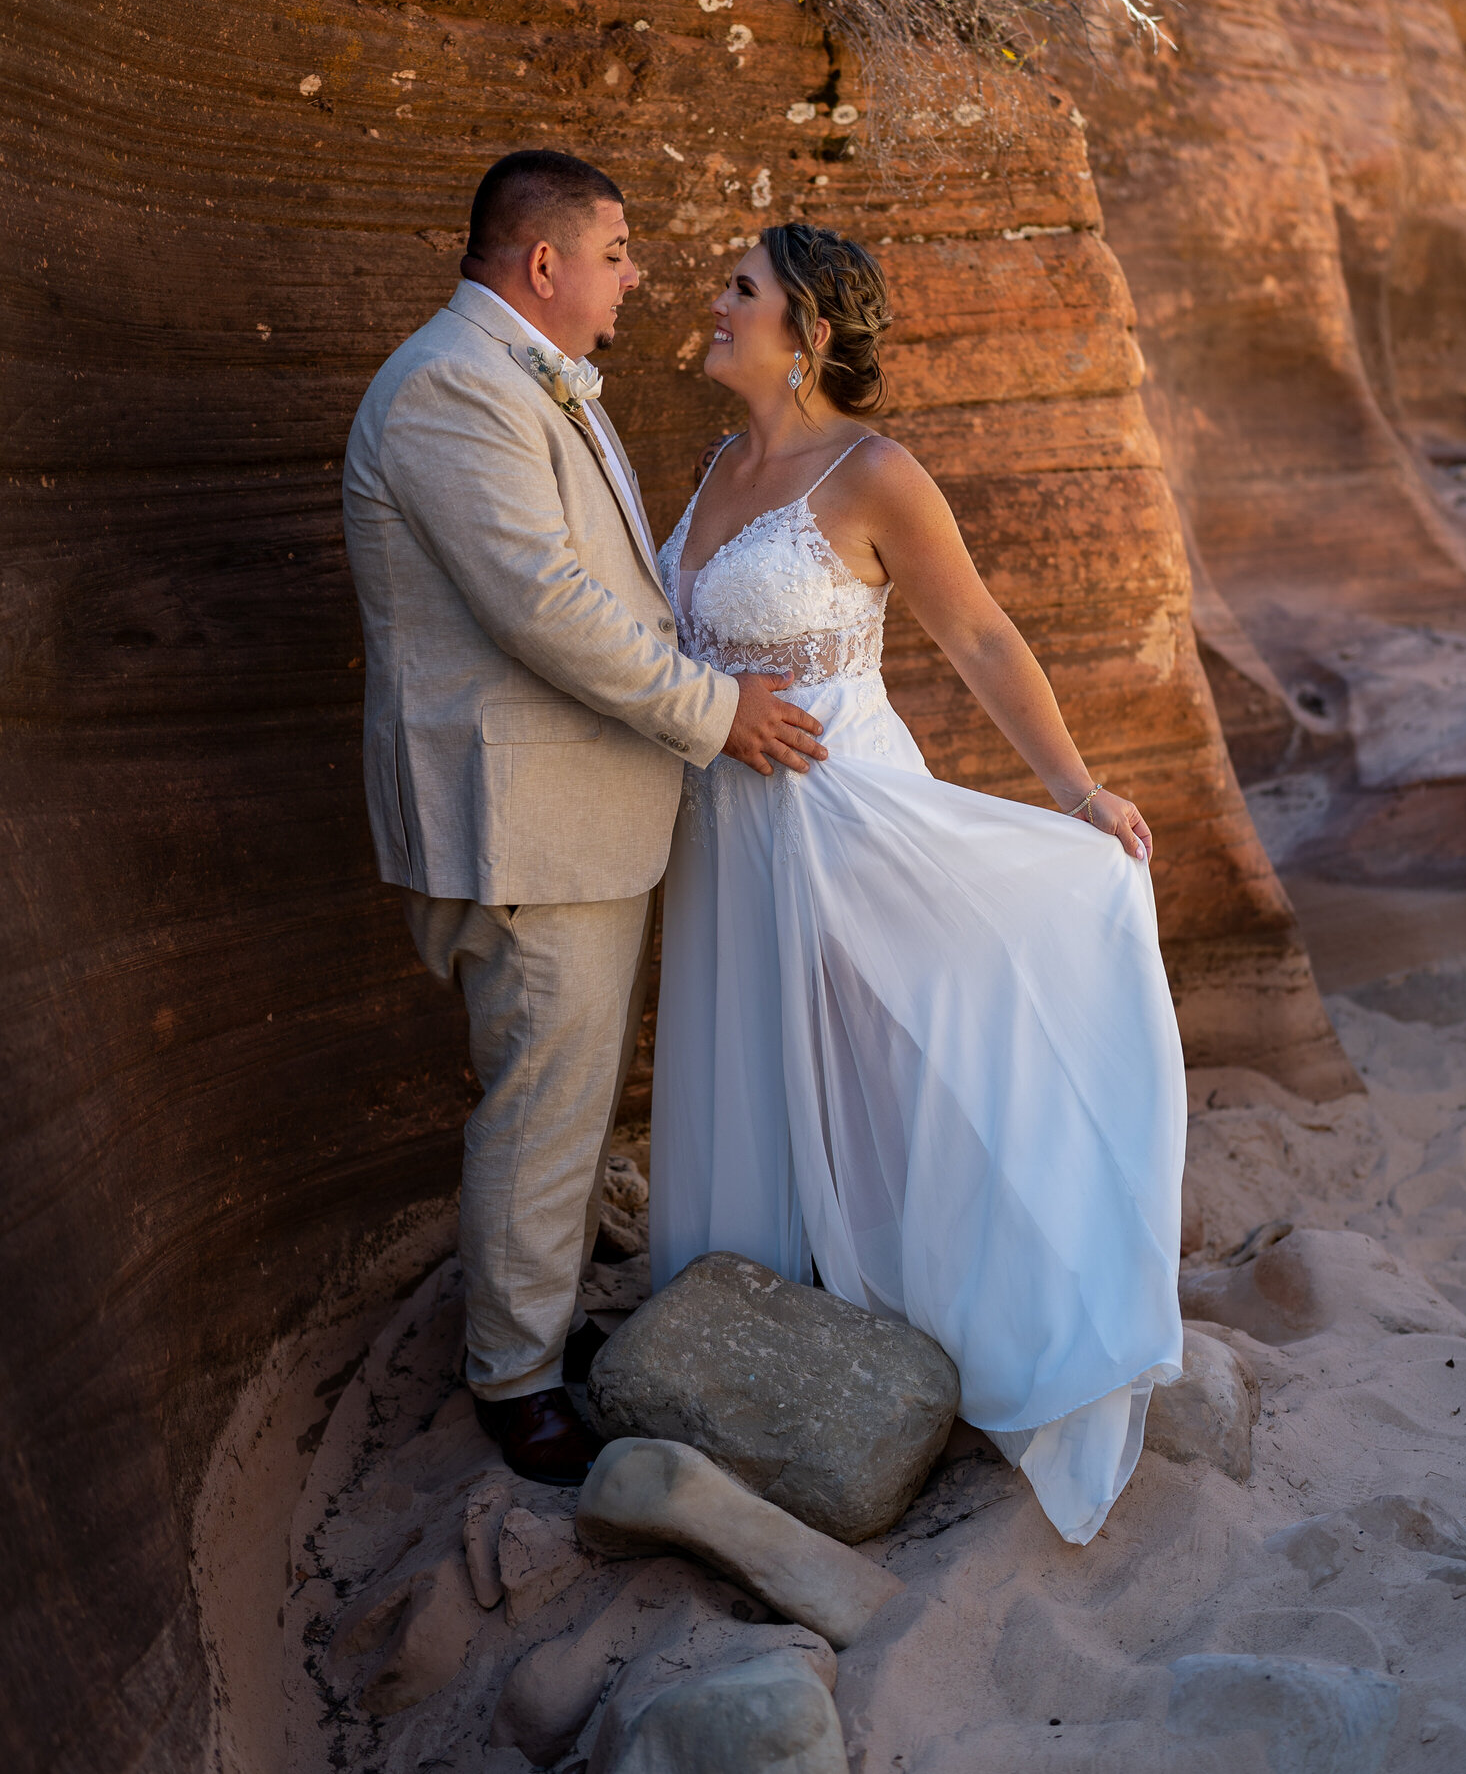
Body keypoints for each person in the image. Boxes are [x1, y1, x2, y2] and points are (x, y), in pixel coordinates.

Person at [649, 221, 1186, 1543]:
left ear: (810, 332)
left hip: (848, 813)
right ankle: (768, 1335)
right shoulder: (718, 460)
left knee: (905, 1070)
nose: (713, 306)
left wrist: (1076, 790)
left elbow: (983, 635)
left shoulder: (874, 472)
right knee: (757, 1065)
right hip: (729, 825)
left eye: (741, 291)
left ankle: (980, 1325)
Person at [342, 153, 827, 1485]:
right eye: (616, 250)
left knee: (565, 1093)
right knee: (544, 1107)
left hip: (572, 814)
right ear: (543, 263)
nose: (636, 275)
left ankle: (532, 1315)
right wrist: (717, 710)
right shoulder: (451, 387)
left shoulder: (518, 378)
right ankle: (516, 1379)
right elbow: (545, 608)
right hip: (520, 826)